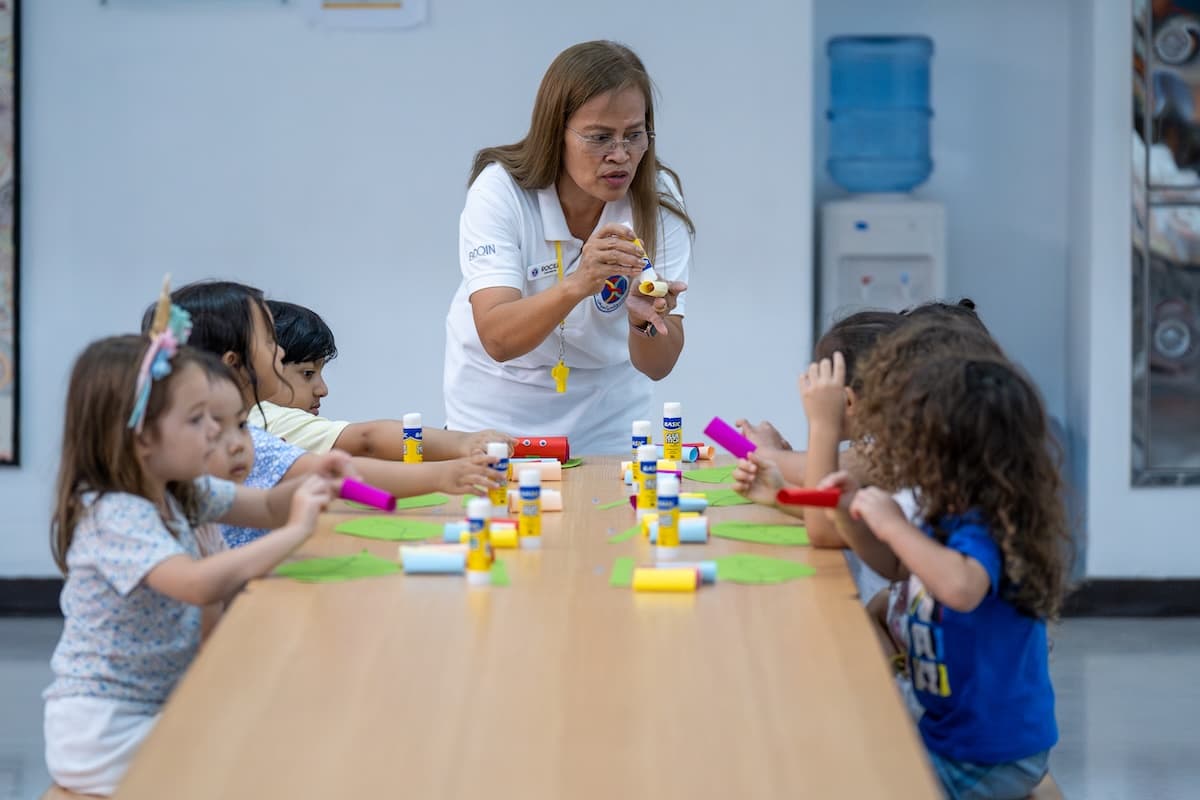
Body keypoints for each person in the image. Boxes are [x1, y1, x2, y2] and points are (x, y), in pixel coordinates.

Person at [43, 330, 347, 796]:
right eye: (197, 419)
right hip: (105, 728)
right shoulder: (114, 512)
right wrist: (295, 532)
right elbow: (197, 584)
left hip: (155, 703)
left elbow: (264, 507)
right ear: (142, 437)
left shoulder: (180, 491)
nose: (214, 432)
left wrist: (311, 485)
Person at [819, 352, 1068, 799]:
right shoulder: (942, 516)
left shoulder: (987, 527)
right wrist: (847, 512)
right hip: (953, 737)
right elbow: (895, 565)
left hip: (989, 752)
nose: (898, 455)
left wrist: (894, 525)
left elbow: (961, 587)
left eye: (914, 444)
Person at [443, 40, 695, 455]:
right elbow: (498, 339)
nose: (620, 156)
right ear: (555, 133)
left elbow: (659, 365)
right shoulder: (500, 190)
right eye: (599, 137)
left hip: (606, 419)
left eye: (634, 135)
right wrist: (578, 283)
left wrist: (642, 323)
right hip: (495, 411)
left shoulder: (658, 197)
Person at [158, 281, 498, 547]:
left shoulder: (243, 434)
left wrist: (319, 487)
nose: (278, 350)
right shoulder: (241, 436)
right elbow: (360, 452)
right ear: (233, 363)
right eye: (268, 340)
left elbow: (281, 499)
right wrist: (444, 475)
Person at [256, 299, 511, 458]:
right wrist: (464, 442)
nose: (323, 390)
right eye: (308, 374)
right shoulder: (266, 418)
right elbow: (368, 440)